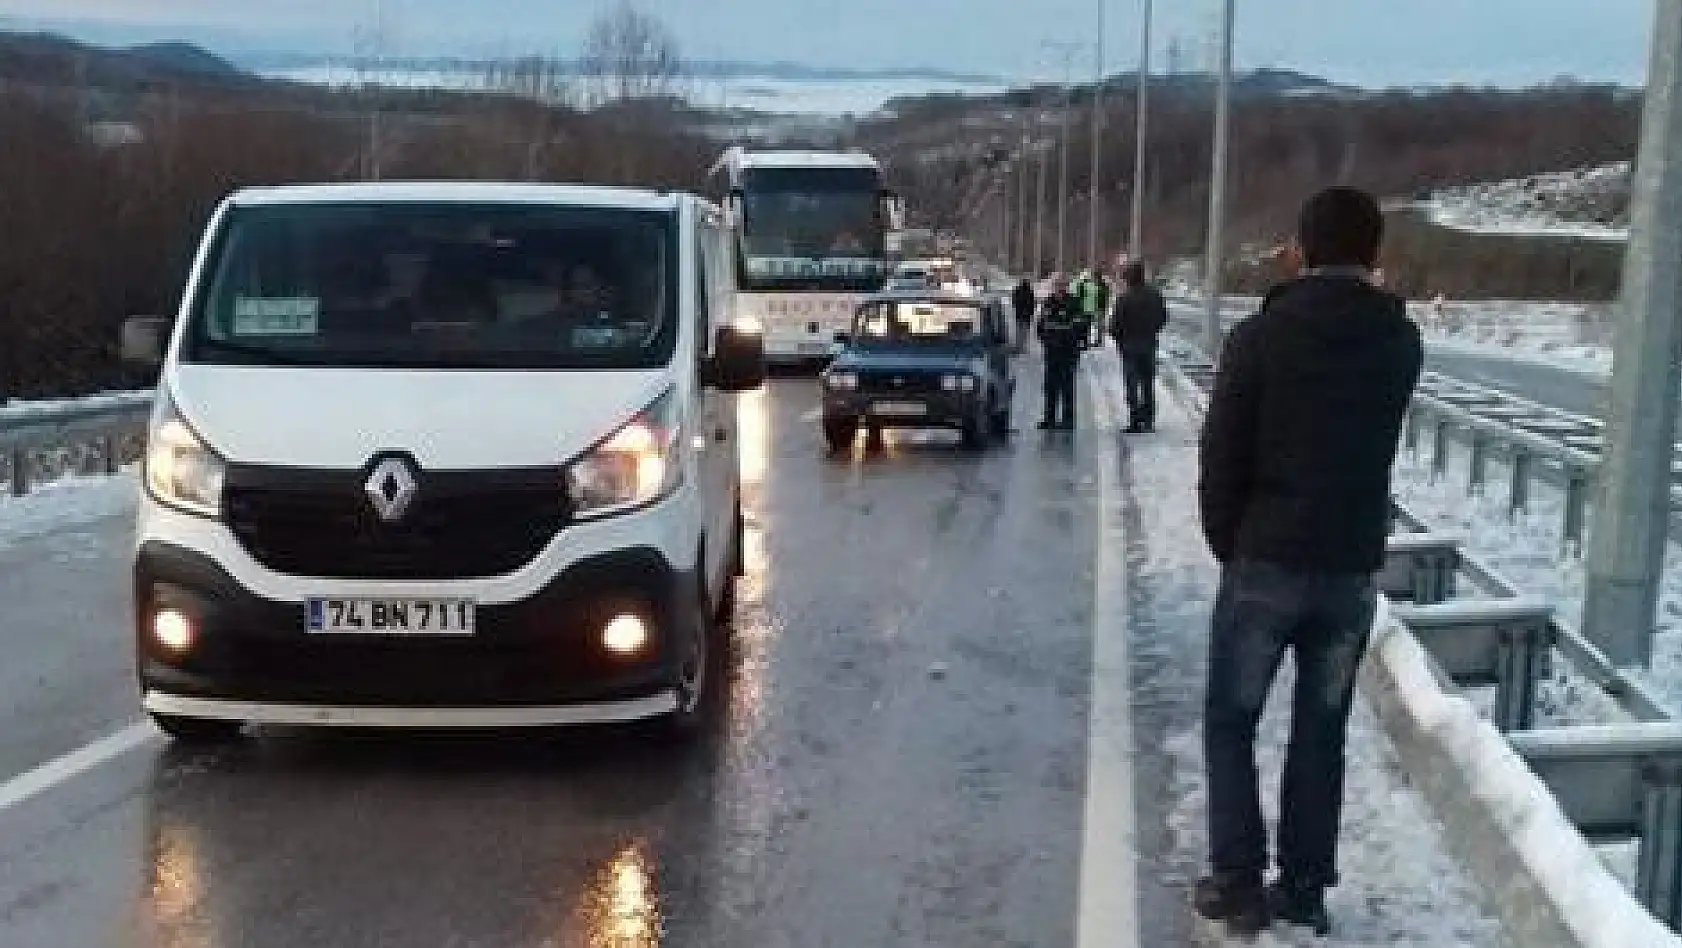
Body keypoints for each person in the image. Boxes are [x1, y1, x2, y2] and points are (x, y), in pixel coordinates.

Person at [1193, 186, 1423, 937]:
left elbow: (1222, 453)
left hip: (1267, 556)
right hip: (1349, 566)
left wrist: (1232, 541)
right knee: (1321, 732)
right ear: (1375, 254)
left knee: (1232, 719)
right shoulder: (1400, 342)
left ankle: (1237, 880)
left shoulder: (1261, 339)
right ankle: (1303, 886)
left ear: (1300, 247)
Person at [1109, 261, 1169, 433]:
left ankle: (1135, 419)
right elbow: (1162, 318)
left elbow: (1116, 323)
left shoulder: (1124, 298)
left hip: (1129, 345)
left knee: (1132, 383)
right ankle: (1149, 419)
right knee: (1148, 383)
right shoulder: (1155, 296)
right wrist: (1152, 331)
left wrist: (1119, 338)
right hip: (1148, 343)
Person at [1036, 276, 1084, 430]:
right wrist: (1045, 338)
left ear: (1067, 287)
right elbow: (1041, 325)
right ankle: (1049, 418)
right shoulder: (1048, 303)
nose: (1059, 289)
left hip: (1068, 351)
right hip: (1051, 351)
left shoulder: (1074, 303)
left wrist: (1066, 333)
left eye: (1062, 285)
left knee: (1067, 386)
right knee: (1050, 386)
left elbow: (1079, 326)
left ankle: (1068, 419)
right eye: (1057, 286)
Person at [1012, 277, 1037, 354]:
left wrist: (1016, 308)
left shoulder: (1017, 291)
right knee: (1024, 331)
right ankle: (1022, 347)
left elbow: (1014, 302)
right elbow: (1033, 304)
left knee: (1019, 331)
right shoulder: (1030, 291)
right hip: (1026, 315)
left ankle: (1019, 346)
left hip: (1019, 314)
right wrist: (1031, 313)